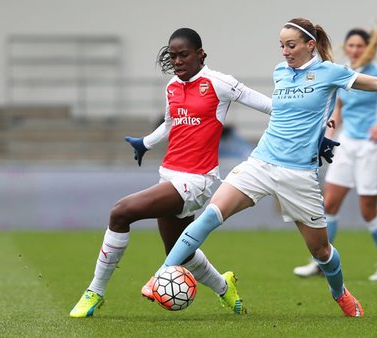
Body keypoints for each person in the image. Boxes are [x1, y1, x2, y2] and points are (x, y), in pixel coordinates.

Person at [154, 18, 377, 317]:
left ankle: (341, 294)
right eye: (281, 45)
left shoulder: (330, 73)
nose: (284, 52)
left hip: (298, 175)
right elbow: (289, 118)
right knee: (210, 216)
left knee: (321, 252)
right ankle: (159, 277)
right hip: (261, 162)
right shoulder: (280, 72)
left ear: (310, 45)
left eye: (291, 45)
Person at [70, 27, 275, 318]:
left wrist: (313, 127)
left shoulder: (220, 83)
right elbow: (170, 123)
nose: (177, 61)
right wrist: (146, 143)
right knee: (180, 253)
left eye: (184, 55)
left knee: (121, 212)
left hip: (197, 181)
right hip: (169, 174)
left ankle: (95, 292)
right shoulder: (171, 86)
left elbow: (270, 107)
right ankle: (224, 287)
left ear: (200, 54)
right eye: (172, 56)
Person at [294, 25, 377, 281]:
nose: (355, 50)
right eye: (351, 45)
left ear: (368, 48)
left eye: (360, 45)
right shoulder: (344, 71)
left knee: (367, 210)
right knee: (329, 204)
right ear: (345, 47)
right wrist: (329, 135)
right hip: (346, 144)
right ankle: (320, 261)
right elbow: (339, 109)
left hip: (371, 147)